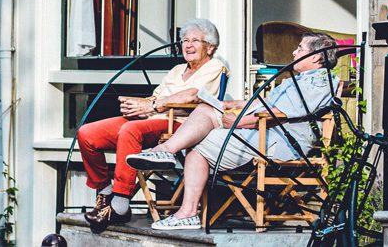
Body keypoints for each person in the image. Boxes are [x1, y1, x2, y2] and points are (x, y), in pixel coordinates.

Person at [126, 32, 339, 230]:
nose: (294, 52)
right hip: (263, 133)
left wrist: (236, 121)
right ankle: (166, 151)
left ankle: (187, 211)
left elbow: (276, 114)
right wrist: (234, 104)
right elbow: (267, 103)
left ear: (316, 57)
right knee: (205, 108)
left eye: (300, 49)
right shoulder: (299, 80)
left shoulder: (317, 82)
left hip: (276, 141)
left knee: (198, 145)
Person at [76, 18, 226, 233]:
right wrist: (136, 105)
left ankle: (120, 203)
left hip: (179, 124)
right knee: (87, 133)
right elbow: (155, 97)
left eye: (195, 40)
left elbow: (192, 96)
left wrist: (152, 106)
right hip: (150, 118)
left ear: (210, 47)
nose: (188, 45)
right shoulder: (176, 70)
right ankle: (105, 191)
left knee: (130, 130)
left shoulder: (215, 67)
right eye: (185, 40)